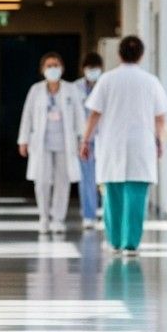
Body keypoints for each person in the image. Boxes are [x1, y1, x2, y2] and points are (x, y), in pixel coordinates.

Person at [80, 36, 167, 256]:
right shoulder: (150, 81)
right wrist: (160, 140)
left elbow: (94, 114)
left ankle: (115, 242)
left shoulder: (107, 80)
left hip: (112, 142)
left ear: (119, 54)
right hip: (141, 143)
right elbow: (160, 117)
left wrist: (85, 140)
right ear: (141, 55)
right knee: (136, 195)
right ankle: (131, 244)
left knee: (113, 194)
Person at [17, 52, 86, 235]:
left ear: (62, 68)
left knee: (62, 181)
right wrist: (23, 140)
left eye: (56, 65)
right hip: (42, 143)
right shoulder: (36, 90)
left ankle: (58, 219)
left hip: (65, 142)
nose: (53, 69)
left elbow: (80, 116)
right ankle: (44, 216)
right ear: (42, 70)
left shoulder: (71, 90)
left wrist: (82, 139)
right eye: (49, 66)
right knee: (42, 181)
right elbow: (27, 116)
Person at [73, 52, 104, 229]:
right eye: (89, 68)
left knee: (105, 177)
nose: (93, 71)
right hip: (84, 138)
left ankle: (105, 212)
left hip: (102, 137)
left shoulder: (105, 86)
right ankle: (89, 214)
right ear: (83, 69)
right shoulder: (75, 88)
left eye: (96, 68)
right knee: (86, 178)